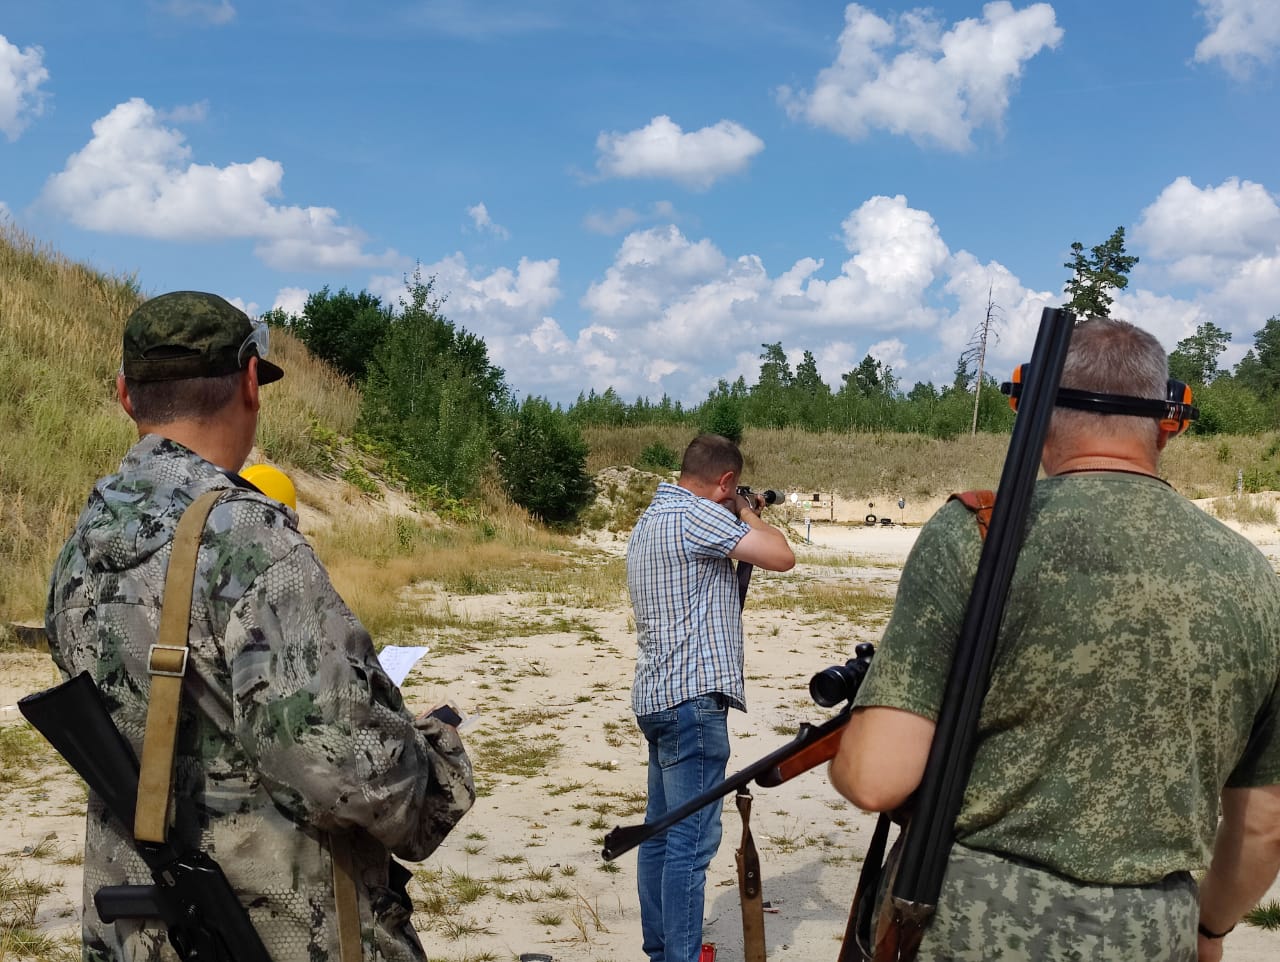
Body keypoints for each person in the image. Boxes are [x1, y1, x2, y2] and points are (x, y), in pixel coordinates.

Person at [828, 316, 1280, 961]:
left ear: (1032, 412)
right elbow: (1264, 824)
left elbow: (876, 778)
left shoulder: (978, 533)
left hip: (965, 922)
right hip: (1152, 931)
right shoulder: (1253, 575)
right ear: (1167, 422)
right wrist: (1207, 931)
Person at [44, 291, 475, 962]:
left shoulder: (85, 540)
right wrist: (439, 760)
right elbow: (346, 770)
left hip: (137, 928)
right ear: (250, 381)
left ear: (126, 395)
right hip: (266, 928)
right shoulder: (248, 537)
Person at [627, 433, 796, 962]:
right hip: (692, 702)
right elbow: (782, 555)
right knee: (691, 844)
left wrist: (740, 508)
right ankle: (677, 957)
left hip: (658, 694)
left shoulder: (653, 518)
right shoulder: (699, 517)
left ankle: (661, 950)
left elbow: (718, 593)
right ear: (725, 481)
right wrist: (746, 512)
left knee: (659, 833)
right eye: (731, 490)